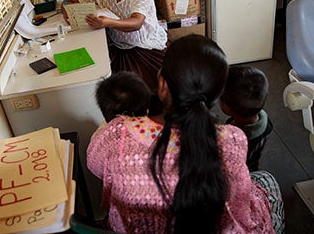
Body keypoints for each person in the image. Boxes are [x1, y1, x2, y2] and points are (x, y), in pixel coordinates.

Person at [87, 35, 283, 233]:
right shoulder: (232, 139)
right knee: (267, 180)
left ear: (162, 84)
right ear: (217, 96)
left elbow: (94, 166)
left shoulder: (118, 134)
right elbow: (240, 208)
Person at [62, 0, 167, 92]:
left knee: (149, 90)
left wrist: (108, 23)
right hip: (120, 47)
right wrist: (68, 15)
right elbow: (68, 1)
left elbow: (137, 22)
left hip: (145, 46)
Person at [220, 65, 273, 172]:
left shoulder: (232, 139)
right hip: (252, 162)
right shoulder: (266, 122)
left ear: (228, 107)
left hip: (238, 170)